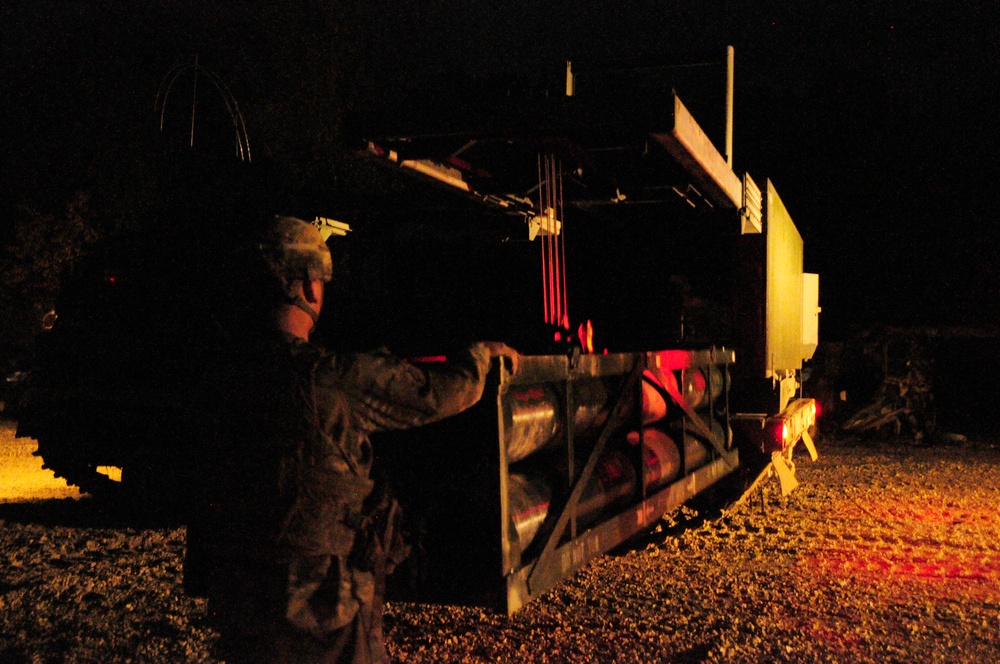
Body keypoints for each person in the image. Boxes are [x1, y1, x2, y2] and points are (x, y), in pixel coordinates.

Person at [183, 215, 519, 663]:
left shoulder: (219, 380)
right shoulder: (332, 381)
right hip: (317, 600)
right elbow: (437, 394)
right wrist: (480, 358)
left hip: (240, 588)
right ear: (308, 288)